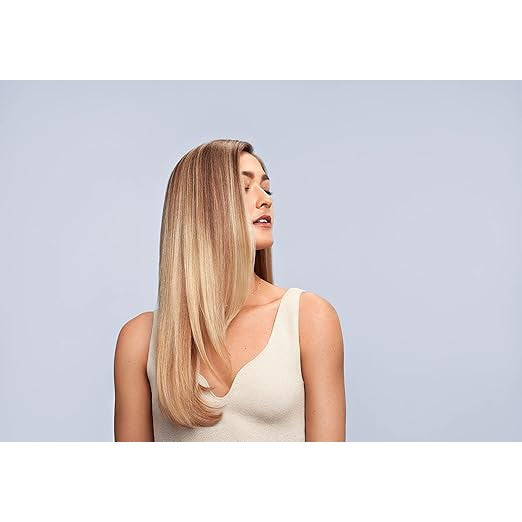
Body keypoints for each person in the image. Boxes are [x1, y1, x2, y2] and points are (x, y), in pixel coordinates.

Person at [113, 139, 346, 441]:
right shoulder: (140, 341)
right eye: (244, 188)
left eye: (266, 188)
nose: (265, 200)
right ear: (202, 208)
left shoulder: (309, 319)